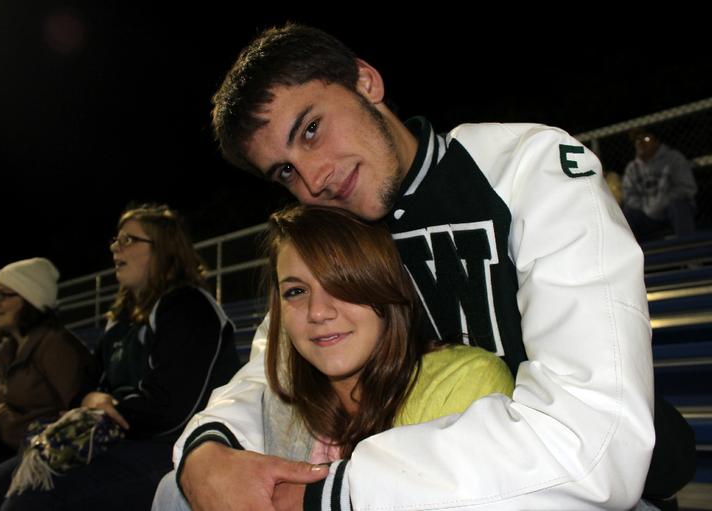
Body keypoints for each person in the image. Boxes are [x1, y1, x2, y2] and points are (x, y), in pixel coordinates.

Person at [171, 24, 692, 511]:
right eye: (285, 170)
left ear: (365, 82)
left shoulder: (525, 165)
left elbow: (596, 440)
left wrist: (334, 494)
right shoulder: (338, 224)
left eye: (310, 129)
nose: (313, 179)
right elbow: (272, 360)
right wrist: (206, 448)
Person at [153, 205, 514, 510]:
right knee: (172, 490)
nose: (318, 312)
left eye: (341, 284)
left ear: (384, 286)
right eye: (296, 291)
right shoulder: (286, 405)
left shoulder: (466, 383)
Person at [0, 204, 241, 511]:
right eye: (115, 240)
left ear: (163, 249)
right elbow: (84, 387)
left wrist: (104, 410)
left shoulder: (190, 306)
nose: (114, 247)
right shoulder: (120, 319)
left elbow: (169, 408)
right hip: (122, 439)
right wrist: (93, 400)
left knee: (28, 503)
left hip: (173, 448)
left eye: (128, 240)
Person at [0, 257, 98, 510]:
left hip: (35, 452)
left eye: (3, 295)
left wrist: (14, 422)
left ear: (30, 299)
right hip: (8, 445)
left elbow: (77, 415)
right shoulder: (9, 349)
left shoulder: (55, 344)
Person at [622, 128, 697, 242]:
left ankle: (689, 250)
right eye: (637, 140)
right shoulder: (632, 168)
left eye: (646, 139)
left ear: (657, 142)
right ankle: (633, 256)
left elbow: (686, 187)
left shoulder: (673, 158)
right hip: (646, 214)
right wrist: (647, 208)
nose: (641, 143)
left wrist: (661, 203)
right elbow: (629, 196)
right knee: (627, 214)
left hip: (669, 210)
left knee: (679, 206)